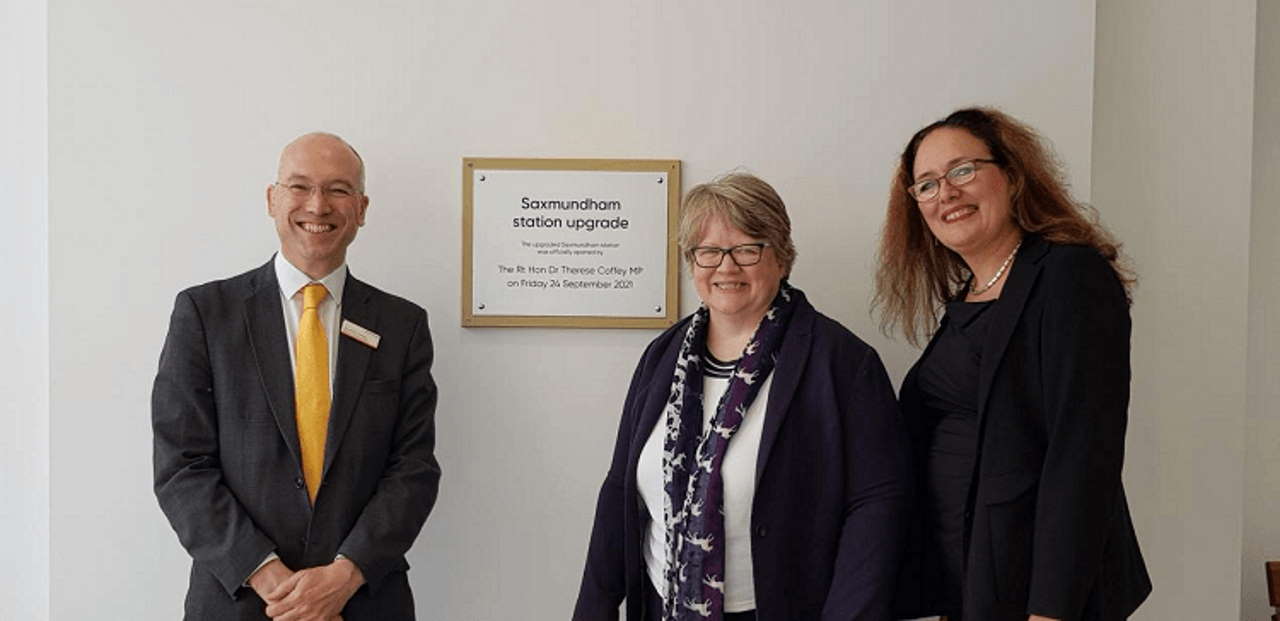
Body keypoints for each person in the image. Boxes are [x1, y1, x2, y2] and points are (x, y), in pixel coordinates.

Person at [574, 173, 911, 621]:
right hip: (665, 607)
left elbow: (877, 504)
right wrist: (593, 609)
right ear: (692, 261)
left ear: (782, 256)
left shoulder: (842, 362)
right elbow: (620, 486)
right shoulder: (663, 357)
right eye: (708, 252)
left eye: (747, 248)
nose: (726, 267)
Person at [874, 108, 1152, 621]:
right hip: (970, 580)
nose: (946, 194)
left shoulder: (1069, 277)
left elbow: (1083, 453)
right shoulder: (971, 293)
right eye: (926, 185)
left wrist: (1051, 611)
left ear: (1012, 174)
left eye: (962, 171)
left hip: (1034, 592)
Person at [152, 132, 440, 620]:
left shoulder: (402, 325)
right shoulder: (205, 314)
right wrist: (274, 581)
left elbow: (413, 469)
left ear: (362, 208)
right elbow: (182, 468)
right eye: (300, 186)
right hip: (240, 602)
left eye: (339, 189)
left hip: (365, 602)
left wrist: (344, 577)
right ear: (272, 199)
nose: (318, 205)